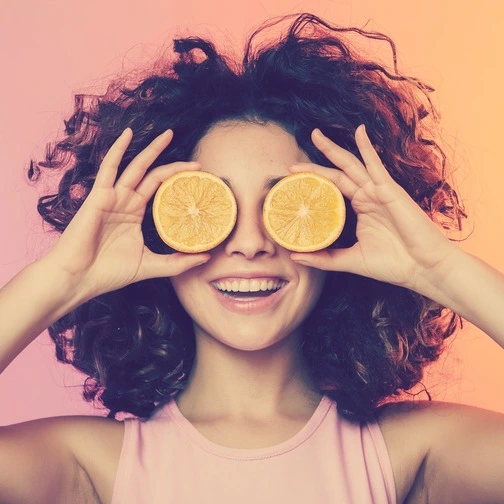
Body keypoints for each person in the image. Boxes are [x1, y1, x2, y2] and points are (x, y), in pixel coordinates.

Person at [0, 12, 503, 504]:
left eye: (283, 205)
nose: (249, 243)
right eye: (211, 208)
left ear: (339, 223)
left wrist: (436, 269)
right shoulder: (89, 467)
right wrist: (61, 280)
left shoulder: (411, 456)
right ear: (158, 232)